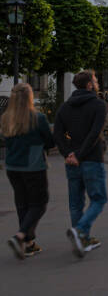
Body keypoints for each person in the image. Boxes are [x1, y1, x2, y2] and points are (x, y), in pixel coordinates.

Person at [53, 70, 108, 258]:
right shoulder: (98, 105)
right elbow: (95, 133)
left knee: (76, 203)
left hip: (72, 162)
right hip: (91, 159)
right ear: (89, 85)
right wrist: (80, 154)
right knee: (99, 198)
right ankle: (81, 231)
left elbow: (57, 133)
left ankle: (81, 239)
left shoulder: (65, 107)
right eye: (95, 80)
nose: (97, 82)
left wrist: (67, 153)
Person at [2, 83, 55, 260]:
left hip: (12, 166)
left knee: (22, 203)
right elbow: (49, 141)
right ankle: (21, 234)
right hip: (33, 166)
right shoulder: (37, 118)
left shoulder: (5, 118)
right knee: (39, 203)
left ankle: (28, 243)